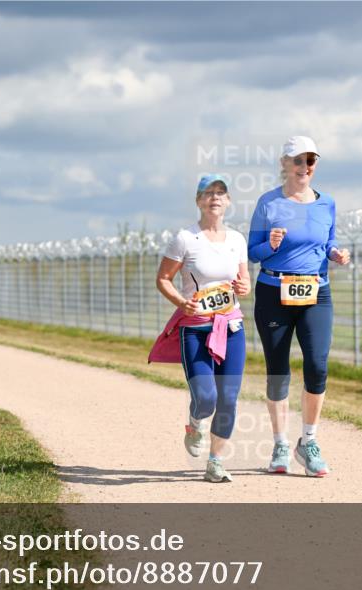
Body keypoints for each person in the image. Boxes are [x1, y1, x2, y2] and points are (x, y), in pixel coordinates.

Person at [247, 136, 350, 477]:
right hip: (274, 291)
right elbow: (252, 252)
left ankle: (308, 442)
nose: (304, 166)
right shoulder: (268, 203)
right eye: (298, 160)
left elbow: (329, 240)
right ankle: (279, 444)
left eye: (310, 160)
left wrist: (336, 253)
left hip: (316, 293)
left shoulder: (327, 204)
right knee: (278, 370)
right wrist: (270, 245)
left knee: (317, 366)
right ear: (285, 164)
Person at [150, 175, 250, 483]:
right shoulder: (185, 238)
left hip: (230, 326)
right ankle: (195, 423)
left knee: (229, 398)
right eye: (208, 193)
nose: (215, 198)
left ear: (228, 201)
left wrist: (244, 287)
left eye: (221, 193)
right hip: (195, 329)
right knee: (206, 397)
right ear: (198, 201)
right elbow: (163, 279)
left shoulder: (237, 240)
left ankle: (216, 461)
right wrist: (182, 302)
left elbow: (243, 282)